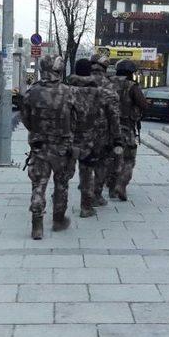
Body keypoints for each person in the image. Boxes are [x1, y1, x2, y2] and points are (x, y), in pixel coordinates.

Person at [20, 55, 76, 240]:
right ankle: (58, 220)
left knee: (38, 185)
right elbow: (77, 119)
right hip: (62, 149)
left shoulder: (32, 92)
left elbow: (25, 118)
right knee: (61, 185)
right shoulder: (68, 92)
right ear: (58, 70)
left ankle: (37, 225)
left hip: (39, 147)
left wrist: (37, 132)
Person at [67, 59, 121, 218]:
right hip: (93, 140)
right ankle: (86, 206)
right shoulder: (102, 92)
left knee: (63, 173)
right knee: (87, 173)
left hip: (68, 139)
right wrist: (116, 138)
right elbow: (114, 116)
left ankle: (58, 203)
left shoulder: (64, 91)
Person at [107, 60, 148, 201]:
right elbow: (143, 104)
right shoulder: (132, 86)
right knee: (128, 159)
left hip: (107, 129)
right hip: (126, 129)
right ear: (130, 72)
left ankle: (111, 187)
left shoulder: (108, 83)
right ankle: (121, 184)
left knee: (111, 157)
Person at [90, 54, 121, 205]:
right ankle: (96, 195)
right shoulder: (108, 85)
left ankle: (61, 195)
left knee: (82, 165)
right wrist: (117, 138)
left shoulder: (81, 81)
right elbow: (114, 115)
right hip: (102, 134)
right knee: (102, 164)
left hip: (80, 133)